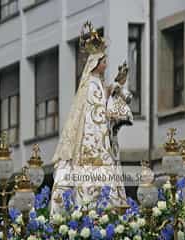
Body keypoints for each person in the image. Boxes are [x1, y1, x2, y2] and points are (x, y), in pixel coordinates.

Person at [50, 22, 129, 215]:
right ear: (96, 63)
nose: (106, 64)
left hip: (101, 139)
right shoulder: (91, 85)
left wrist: (116, 85)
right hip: (92, 141)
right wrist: (113, 99)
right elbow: (98, 110)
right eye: (104, 61)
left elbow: (103, 102)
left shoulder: (97, 83)